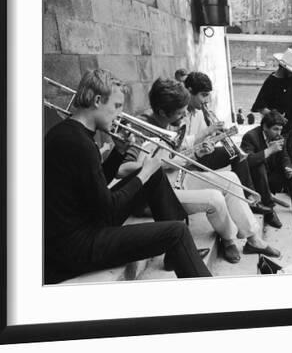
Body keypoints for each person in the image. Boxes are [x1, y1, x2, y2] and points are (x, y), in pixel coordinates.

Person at [44, 69, 211, 284]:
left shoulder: (72, 133)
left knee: (155, 175)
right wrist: (143, 174)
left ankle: (176, 255)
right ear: (97, 100)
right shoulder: (78, 143)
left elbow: (96, 188)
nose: (120, 114)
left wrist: (118, 152)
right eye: (116, 106)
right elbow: (108, 210)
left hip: (83, 224)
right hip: (75, 247)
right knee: (176, 232)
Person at [118, 78, 280, 259]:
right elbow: (122, 169)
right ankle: (228, 239)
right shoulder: (141, 127)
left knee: (232, 179)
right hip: (154, 197)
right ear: (163, 111)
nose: (184, 116)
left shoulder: (167, 122)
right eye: (180, 113)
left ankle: (253, 239)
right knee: (214, 198)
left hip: (176, 179)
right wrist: (161, 164)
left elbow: (176, 154)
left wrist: (199, 150)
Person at [183, 72, 272, 214]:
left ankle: (249, 199)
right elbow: (184, 145)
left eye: (208, 95)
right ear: (189, 91)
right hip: (185, 161)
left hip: (198, 155)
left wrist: (220, 136)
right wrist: (208, 131)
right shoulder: (179, 112)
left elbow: (202, 144)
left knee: (237, 154)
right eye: (204, 95)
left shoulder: (199, 112)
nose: (207, 100)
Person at [240, 110, 292, 236]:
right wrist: (269, 151)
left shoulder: (279, 137)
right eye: (275, 129)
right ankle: (269, 210)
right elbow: (245, 162)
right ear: (264, 127)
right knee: (258, 165)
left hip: (269, 179)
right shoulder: (250, 137)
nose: (278, 133)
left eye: (280, 129)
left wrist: (288, 168)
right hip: (253, 184)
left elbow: (285, 157)